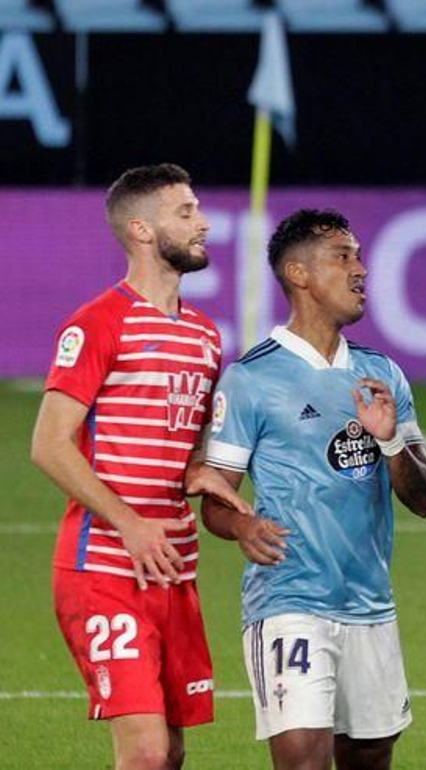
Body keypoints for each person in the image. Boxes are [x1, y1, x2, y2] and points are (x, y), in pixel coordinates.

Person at [200, 208, 426, 770]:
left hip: (370, 604)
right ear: (298, 274)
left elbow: (425, 498)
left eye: (358, 255)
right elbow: (215, 497)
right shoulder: (252, 378)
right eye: (343, 256)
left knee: (369, 759)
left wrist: (389, 443)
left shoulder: (383, 375)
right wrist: (243, 525)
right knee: (303, 762)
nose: (361, 268)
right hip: (289, 600)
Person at [32, 162, 249, 770]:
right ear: (141, 230)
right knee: (147, 752)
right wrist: (127, 521)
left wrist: (202, 469)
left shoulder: (205, 337)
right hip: (104, 566)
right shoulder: (98, 322)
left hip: (173, 568)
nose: (203, 222)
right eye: (185, 212)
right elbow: (49, 444)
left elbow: (186, 440)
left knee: (172, 751)